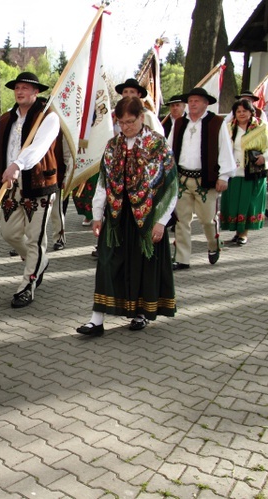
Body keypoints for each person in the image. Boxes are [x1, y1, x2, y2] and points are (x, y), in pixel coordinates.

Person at [76, 97, 177, 336]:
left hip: (147, 218)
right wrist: (97, 215)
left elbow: (171, 186)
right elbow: (103, 181)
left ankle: (141, 313)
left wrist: (161, 221)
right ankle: (96, 319)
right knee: (107, 263)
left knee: (143, 265)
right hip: (116, 217)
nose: (126, 127)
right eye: (121, 122)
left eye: (130, 121)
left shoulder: (157, 144)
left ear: (142, 117)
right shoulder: (112, 146)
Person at [0, 72, 62, 308]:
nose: (20, 92)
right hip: (10, 186)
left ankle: (27, 286)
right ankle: (39, 262)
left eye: (26, 88)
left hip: (39, 185)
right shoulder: (5, 119)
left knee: (35, 238)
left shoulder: (48, 117)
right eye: (17, 88)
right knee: (8, 233)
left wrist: (18, 164)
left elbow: (39, 148)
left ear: (36, 91)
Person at [168, 87, 235, 270]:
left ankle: (214, 245)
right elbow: (169, 149)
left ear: (206, 103)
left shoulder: (217, 123)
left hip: (206, 180)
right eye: (190, 100)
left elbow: (225, 151)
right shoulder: (180, 123)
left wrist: (224, 176)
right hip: (182, 179)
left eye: (197, 100)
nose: (193, 103)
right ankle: (182, 258)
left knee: (207, 220)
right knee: (182, 220)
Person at [219, 99, 268, 245]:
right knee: (235, 203)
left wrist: (264, 157)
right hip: (234, 172)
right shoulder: (228, 128)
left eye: (244, 111)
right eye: (238, 111)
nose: (241, 114)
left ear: (251, 111)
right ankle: (237, 232)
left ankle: (243, 234)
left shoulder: (261, 127)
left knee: (248, 202)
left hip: (253, 172)